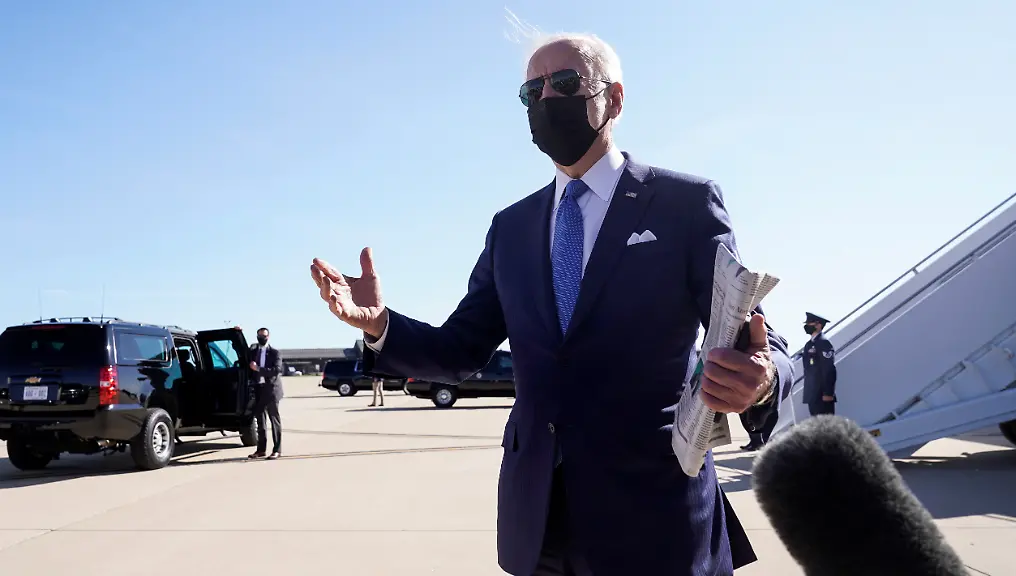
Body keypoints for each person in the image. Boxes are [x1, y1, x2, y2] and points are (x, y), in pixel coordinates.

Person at [309, 33, 793, 576]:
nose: (545, 100)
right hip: (539, 519)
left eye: (564, 83)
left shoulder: (683, 204)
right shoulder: (511, 228)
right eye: (531, 92)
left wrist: (762, 376)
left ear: (613, 99)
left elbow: (750, 328)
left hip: (654, 514)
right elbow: (458, 349)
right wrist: (380, 326)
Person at [248, 327, 283, 460]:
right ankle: (261, 450)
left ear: (268, 337)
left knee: (274, 420)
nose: (262, 338)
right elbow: (241, 352)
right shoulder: (253, 351)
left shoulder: (275, 353)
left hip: (272, 390)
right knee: (260, 421)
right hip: (259, 389)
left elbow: (276, 370)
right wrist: (236, 332)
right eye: (260, 336)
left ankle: (277, 450)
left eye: (264, 336)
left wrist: (258, 369)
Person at [801, 312, 838, 416]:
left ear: (818, 325)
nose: (807, 325)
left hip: (822, 395)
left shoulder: (823, 342)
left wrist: (828, 393)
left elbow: (829, 369)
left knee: (827, 425)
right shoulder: (809, 345)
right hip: (812, 395)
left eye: (810, 323)